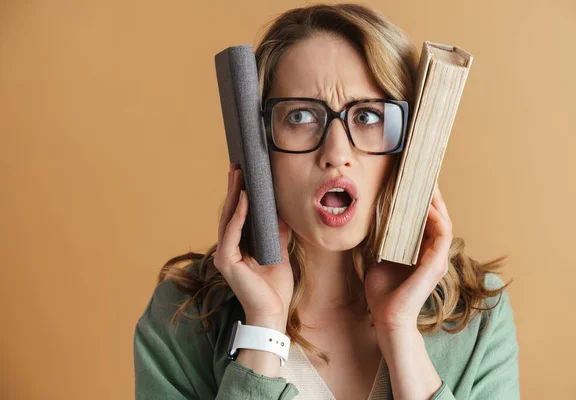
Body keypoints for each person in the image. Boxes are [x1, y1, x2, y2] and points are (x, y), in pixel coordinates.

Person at [133, 3, 519, 399]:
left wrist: (399, 329)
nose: (336, 152)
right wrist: (264, 325)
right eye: (300, 116)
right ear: (259, 146)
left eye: (368, 117)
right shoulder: (181, 318)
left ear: (408, 146)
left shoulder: (478, 318)